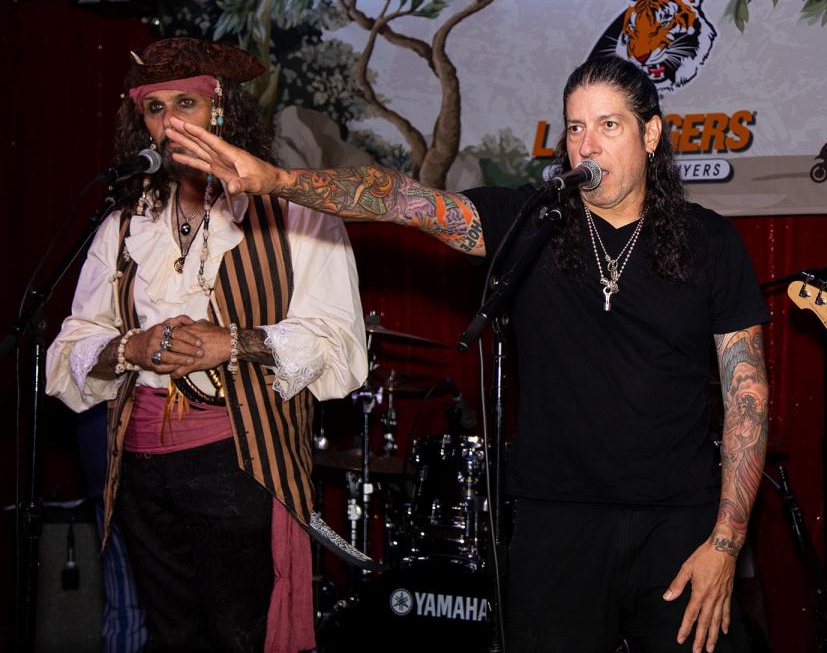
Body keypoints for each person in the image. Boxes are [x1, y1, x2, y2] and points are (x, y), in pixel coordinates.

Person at [167, 55, 771, 653]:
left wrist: (725, 543)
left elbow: (748, 397)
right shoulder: (529, 226)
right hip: (555, 522)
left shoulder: (710, 241)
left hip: (679, 524)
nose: (587, 146)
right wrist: (279, 182)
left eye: (608, 125)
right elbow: (397, 199)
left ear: (651, 134)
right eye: (575, 128)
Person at [46, 38, 370, 652]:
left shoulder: (295, 214)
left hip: (240, 458)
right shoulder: (124, 223)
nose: (170, 122)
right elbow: (74, 343)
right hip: (139, 465)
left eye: (186, 103)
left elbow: (340, 344)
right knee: (172, 635)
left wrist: (234, 343)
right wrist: (130, 349)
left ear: (221, 111)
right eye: (155, 108)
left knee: (238, 634)